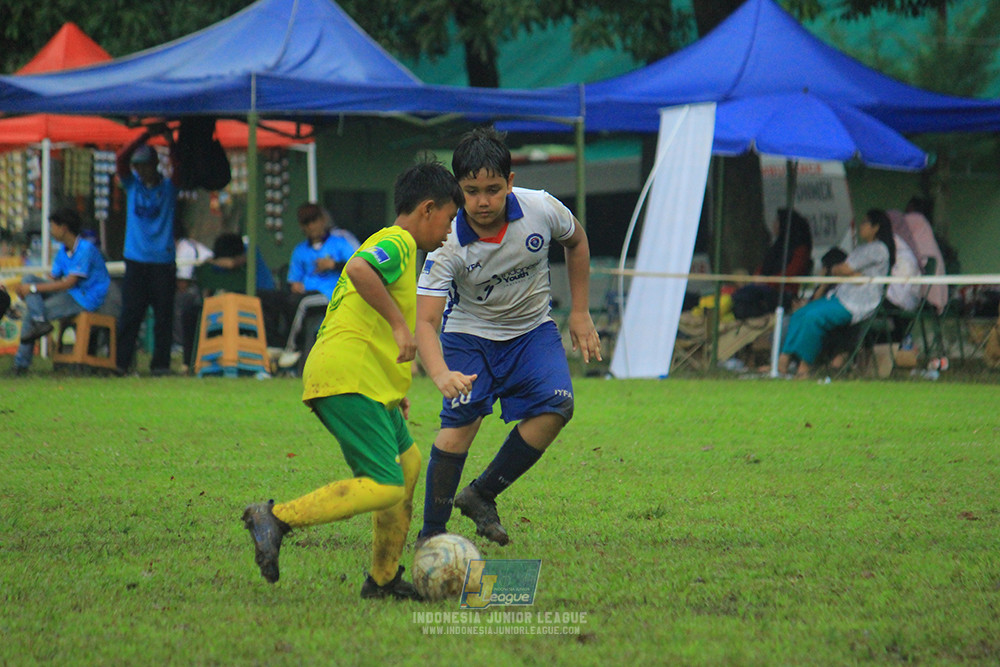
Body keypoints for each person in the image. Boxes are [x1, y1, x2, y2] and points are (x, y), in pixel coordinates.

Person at [241, 162, 469, 598]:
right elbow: (361, 270)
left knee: (408, 465)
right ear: (427, 209)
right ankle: (276, 517)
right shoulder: (397, 241)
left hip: (368, 384)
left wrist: (395, 392)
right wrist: (402, 329)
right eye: (450, 217)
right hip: (348, 378)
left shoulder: (399, 247)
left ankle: (383, 579)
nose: (450, 229)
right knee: (384, 483)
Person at [414, 126, 602, 547]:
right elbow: (425, 322)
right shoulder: (446, 244)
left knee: (558, 406)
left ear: (510, 183)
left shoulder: (541, 209)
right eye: (472, 190)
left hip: (531, 330)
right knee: (462, 423)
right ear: (458, 189)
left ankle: (481, 494)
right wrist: (441, 372)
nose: (483, 201)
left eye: (493, 189)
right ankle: (431, 534)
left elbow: (577, 241)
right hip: (469, 334)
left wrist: (580, 311)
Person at [778, 209, 895, 379]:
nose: (861, 226)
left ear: (875, 227)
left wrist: (843, 271)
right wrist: (845, 272)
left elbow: (844, 268)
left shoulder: (878, 249)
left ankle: (804, 367)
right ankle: (783, 362)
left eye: (864, 223)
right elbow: (842, 270)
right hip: (840, 296)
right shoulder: (864, 248)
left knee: (813, 317)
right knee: (801, 313)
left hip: (856, 302)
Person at [12, 208, 110, 375]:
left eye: (52, 226)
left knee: (31, 312)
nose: (50, 231)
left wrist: (33, 290)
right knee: (28, 279)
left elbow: (69, 283)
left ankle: (21, 365)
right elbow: (53, 279)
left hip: (85, 297)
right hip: (70, 294)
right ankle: (40, 320)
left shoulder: (85, 249)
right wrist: (29, 290)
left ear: (63, 228)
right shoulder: (63, 251)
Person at [115, 125, 180, 376]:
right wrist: (144, 135)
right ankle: (122, 364)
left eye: (145, 165)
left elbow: (179, 168)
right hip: (136, 260)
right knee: (131, 313)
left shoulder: (168, 189)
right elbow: (121, 159)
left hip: (163, 262)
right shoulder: (132, 185)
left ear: (155, 165)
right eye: (137, 166)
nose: (140, 170)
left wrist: (169, 141)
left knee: (163, 317)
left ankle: (160, 366)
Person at [259, 203, 357, 363]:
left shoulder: (339, 242)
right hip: (305, 292)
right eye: (306, 222)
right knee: (268, 297)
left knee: (302, 303)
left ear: (322, 220)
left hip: (331, 294)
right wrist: (294, 285)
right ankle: (274, 343)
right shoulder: (300, 250)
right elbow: (293, 279)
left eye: (314, 220)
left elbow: (358, 265)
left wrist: (333, 265)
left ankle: (291, 349)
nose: (311, 226)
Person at [731, 208, 813, 319]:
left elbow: (790, 273)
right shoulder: (778, 245)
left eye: (777, 222)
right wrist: (757, 278)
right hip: (765, 287)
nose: (774, 225)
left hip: (783, 291)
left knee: (745, 296)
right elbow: (764, 266)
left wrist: (767, 281)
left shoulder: (800, 248)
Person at [173, 221, 214, 371]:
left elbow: (183, 284)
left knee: (180, 302)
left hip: (205, 293)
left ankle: (179, 344)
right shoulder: (184, 246)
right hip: (203, 290)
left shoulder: (185, 248)